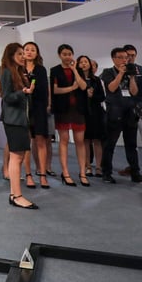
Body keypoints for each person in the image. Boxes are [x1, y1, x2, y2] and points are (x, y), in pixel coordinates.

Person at [99, 47, 142, 184]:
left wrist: (132, 77)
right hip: (114, 112)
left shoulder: (130, 71)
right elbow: (111, 88)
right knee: (110, 144)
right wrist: (120, 74)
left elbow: (134, 92)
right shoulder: (108, 72)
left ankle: (135, 173)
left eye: (125, 57)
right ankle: (106, 173)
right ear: (114, 59)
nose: (124, 60)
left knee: (131, 144)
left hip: (130, 111)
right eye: (120, 57)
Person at [0, 42, 38, 209]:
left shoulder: (19, 72)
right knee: (16, 157)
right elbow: (6, 97)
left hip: (21, 119)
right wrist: (23, 92)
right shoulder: (7, 72)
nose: (24, 56)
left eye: (24, 53)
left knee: (19, 156)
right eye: (20, 54)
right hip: (13, 120)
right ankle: (16, 195)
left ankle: (15, 194)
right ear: (11, 56)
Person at [51, 44, 90, 186]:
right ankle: (65, 173)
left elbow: (84, 86)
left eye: (69, 54)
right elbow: (55, 90)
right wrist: (71, 88)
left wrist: (74, 70)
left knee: (80, 140)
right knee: (64, 140)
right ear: (59, 55)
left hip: (78, 109)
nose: (67, 56)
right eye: (64, 54)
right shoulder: (55, 70)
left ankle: (82, 172)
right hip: (63, 109)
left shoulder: (78, 69)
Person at [121, 44, 142, 180]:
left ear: (136, 55)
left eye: (132, 55)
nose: (130, 58)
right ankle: (133, 165)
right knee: (130, 140)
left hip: (141, 108)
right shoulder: (120, 71)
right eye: (127, 55)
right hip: (125, 108)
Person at [23, 42, 52, 189]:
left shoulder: (40, 69)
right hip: (23, 109)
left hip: (39, 108)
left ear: (37, 53)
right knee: (26, 142)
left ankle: (42, 174)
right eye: (26, 49)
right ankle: (28, 175)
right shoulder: (18, 68)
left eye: (32, 50)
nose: (29, 52)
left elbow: (44, 90)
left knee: (40, 140)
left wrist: (33, 88)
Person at [79, 55, 105, 178]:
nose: (84, 64)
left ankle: (99, 167)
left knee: (97, 140)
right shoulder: (77, 79)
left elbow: (102, 97)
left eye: (86, 62)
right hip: (82, 113)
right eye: (81, 62)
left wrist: (92, 96)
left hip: (95, 113)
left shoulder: (96, 80)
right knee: (85, 140)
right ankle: (87, 166)